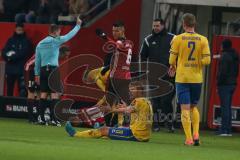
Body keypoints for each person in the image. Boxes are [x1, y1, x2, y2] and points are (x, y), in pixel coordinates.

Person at [168, 13, 211, 146]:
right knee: (193, 107)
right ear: (194, 24)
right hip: (196, 78)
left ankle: (188, 139)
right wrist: (197, 62)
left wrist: (173, 66)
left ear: (184, 24)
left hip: (182, 78)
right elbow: (207, 60)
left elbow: (171, 59)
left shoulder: (178, 39)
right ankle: (196, 134)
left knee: (185, 109)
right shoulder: (203, 39)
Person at [65, 81, 153, 142]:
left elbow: (127, 111)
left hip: (135, 135)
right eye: (130, 89)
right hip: (144, 135)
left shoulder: (138, 101)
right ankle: (99, 132)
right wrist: (126, 107)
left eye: (133, 89)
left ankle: (76, 134)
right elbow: (132, 110)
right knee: (115, 130)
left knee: (104, 130)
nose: (130, 91)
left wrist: (110, 110)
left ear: (140, 91)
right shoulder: (146, 101)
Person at [34, 17, 82, 126]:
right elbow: (70, 35)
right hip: (53, 70)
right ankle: (53, 119)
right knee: (55, 95)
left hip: (43, 70)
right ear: (55, 32)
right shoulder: (55, 41)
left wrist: (36, 74)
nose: (60, 34)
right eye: (59, 32)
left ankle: (41, 119)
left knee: (43, 95)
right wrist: (78, 25)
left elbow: (37, 61)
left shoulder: (40, 44)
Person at [140, 18, 175, 132]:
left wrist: (175, 68)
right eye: (154, 26)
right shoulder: (148, 40)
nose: (155, 28)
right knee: (155, 101)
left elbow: (180, 55)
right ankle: (155, 124)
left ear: (163, 26)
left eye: (157, 26)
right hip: (153, 76)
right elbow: (142, 57)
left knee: (166, 101)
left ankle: (169, 124)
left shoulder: (173, 38)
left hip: (169, 76)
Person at [25, 45, 71, 124]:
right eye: (66, 55)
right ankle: (31, 118)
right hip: (31, 70)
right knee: (31, 93)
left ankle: (40, 117)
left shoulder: (55, 58)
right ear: (60, 53)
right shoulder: (50, 55)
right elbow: (31, 64)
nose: (66, 57)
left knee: (41, 94)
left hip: (41, 73)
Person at [2, 23, 32, 97]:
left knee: (22, 89)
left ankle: (21, 105)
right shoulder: (10, 40)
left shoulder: (26, 41)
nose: (19, 31)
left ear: (23, 30)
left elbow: (24, 53)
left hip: (21, 69)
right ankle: (8, 104)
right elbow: (4, 51)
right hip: (10, 69)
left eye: (21, 30)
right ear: (15, 30)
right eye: (18, 29)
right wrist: (7, 57)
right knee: (9, 89)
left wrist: (11, 57)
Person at [217, 39, 239, 136]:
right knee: (228, 107)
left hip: (225, 84)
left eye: (221, 45)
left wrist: (218, 83)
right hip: (232, 83)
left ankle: (224, 130)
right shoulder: (235, 55)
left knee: (224, 107)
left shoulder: (225, 56)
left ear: (224, 46)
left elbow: (223, 72)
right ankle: (228, 130)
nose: (220, 47)